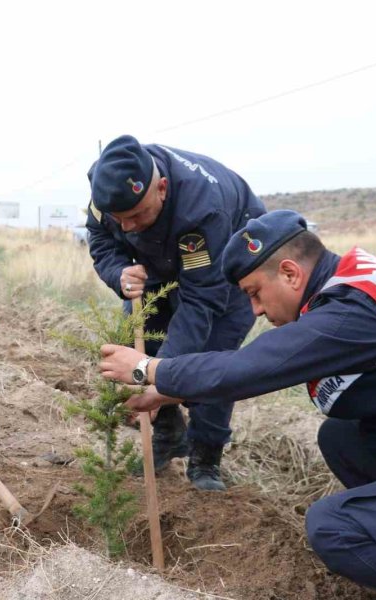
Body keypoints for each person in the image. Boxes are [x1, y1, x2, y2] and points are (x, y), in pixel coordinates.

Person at [99, 210, 376, 600]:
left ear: (289, 272)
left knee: (336, 527)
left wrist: (147, 368)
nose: (257, 311)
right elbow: (273, 366)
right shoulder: (351, 284)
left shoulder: (354, 312)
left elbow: (252, 367)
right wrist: (168, 391)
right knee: (342, 439)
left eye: (255, 294)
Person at [86, 135, 265, 491]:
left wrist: (160, 378)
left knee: (211, 361)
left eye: (136, 215)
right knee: (140, 346)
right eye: (118, 218)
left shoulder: (202, 212)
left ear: (162, 188)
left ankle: (206, 457)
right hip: (160, 265)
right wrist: (118, 271)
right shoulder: (107, 192)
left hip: (226, 273)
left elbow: (201, 299)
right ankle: (169, 434)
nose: (127, 227)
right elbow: (101, 238)